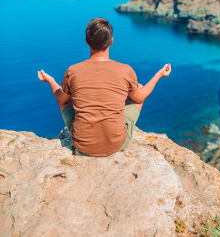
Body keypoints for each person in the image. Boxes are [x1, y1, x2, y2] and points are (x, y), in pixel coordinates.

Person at [38, 17, 171, 156]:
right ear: (111, 41)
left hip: (82, 144)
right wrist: (159, 75)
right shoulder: (125, 70)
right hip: (116, 143)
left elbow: (61, 98)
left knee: (64, 98)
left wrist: (50, 80)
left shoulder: (73, 70)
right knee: (137, 91)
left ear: (87, 42)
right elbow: (140, 97)